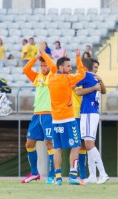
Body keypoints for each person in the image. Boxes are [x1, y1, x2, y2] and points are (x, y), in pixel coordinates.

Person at [44, 49, 85, 185]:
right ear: (61, 67)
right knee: (76, 145)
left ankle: (58, 178)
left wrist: (43, 53)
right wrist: (78, 58)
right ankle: (73, 176)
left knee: (58, 148)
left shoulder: (50, 79)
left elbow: (52, 66)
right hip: (68, 118)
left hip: (55, 119)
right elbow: (82, 73)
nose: (70, 68)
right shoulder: (68, 78)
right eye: (68, 66)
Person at [21, 45, 55, 184]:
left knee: (49, 143)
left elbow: (53, 66)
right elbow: (25, 69)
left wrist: (45, 55)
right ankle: (35, 173)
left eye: (44, 64)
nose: (43, 67)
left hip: (49, 114)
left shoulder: (53, 75)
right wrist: (36, 56)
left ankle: (52, 175)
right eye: (41, 65)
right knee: (29, 143)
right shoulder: (37, 77)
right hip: (36, 114)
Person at [75, 58, 109, 184]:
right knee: (89, 144)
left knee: (89, 144)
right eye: (95, 67)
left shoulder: (88, 76)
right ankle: (93, 175)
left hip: (89, 112)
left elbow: (77, 91)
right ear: (90, 67)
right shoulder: (94, 78)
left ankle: (103, 173)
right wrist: (96, 85)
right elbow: (102, 91)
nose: (96, 70)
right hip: (91, 112)